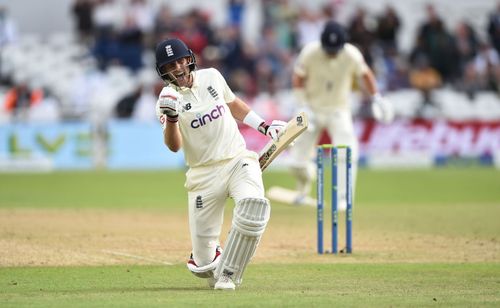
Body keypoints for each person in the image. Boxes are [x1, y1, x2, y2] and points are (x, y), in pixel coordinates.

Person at [154, 38, 286, 290]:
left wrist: (265, 127)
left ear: (190, 59)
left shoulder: (212, 76)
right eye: (171, 65)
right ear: (164, 71)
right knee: (203, 268)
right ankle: (209, 255)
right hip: (203, 175)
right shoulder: (166, 98)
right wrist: (171, 119)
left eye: (181, 60)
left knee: (253, 208)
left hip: (237, 160)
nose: (179, 68)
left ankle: (228, 274)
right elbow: (174, 146)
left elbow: (233, 104)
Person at [289, 21, 394, 209]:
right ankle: (303, 189)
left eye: (335, 49)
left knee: (347, 153)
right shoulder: (310, 52)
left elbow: (366, 74)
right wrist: (302, 105)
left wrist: (376, 97)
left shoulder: (351, 54)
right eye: (329, 49)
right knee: (296, 163)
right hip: (312, 110)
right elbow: (298, 77)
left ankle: (344, 198)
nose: (332, 53)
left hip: (338, 110)